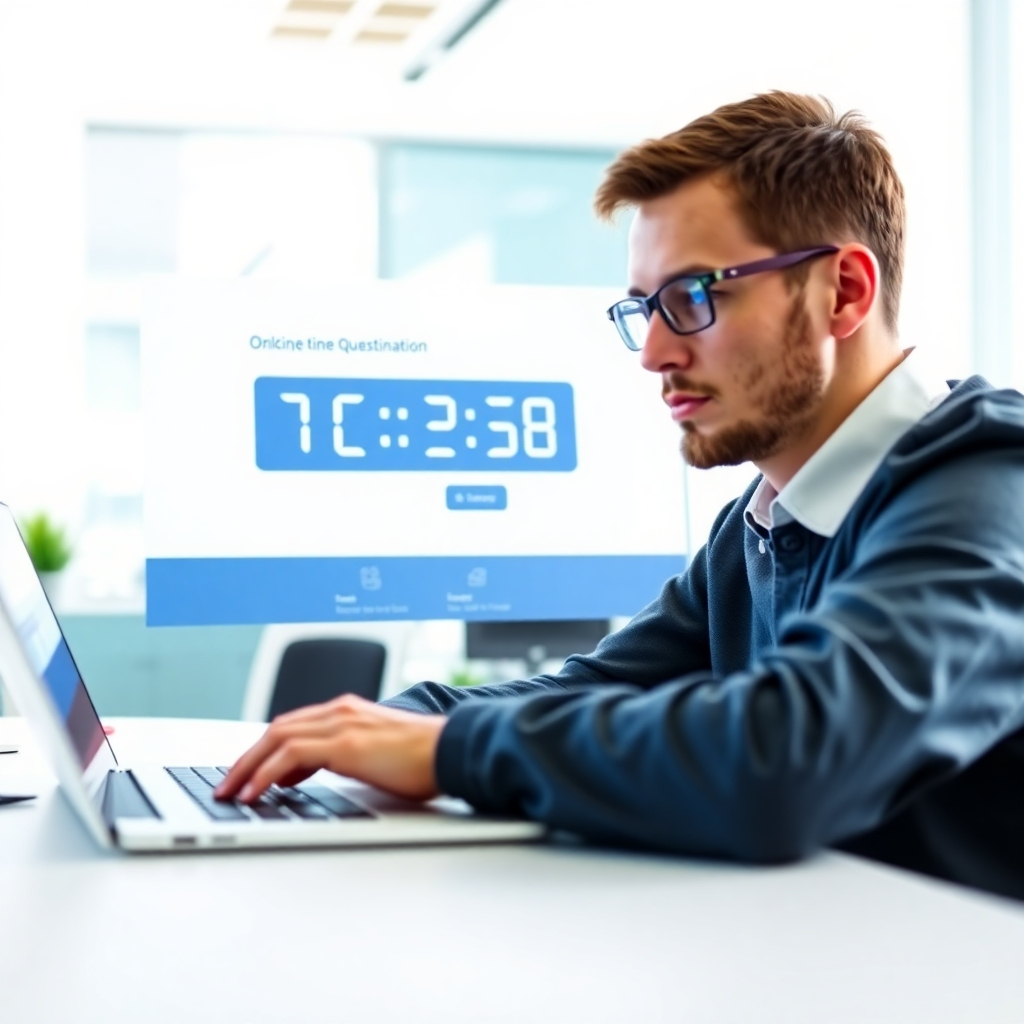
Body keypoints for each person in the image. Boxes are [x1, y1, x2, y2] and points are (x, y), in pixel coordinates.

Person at [217, 92, 1024, 901]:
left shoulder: (987, 486)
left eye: (693, 297)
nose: (654, 353)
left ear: (843, 292)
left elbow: (784, 759)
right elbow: (593, 690)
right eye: (644, 309)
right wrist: (376, 726)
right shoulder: (767, 518)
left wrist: (443, 750)